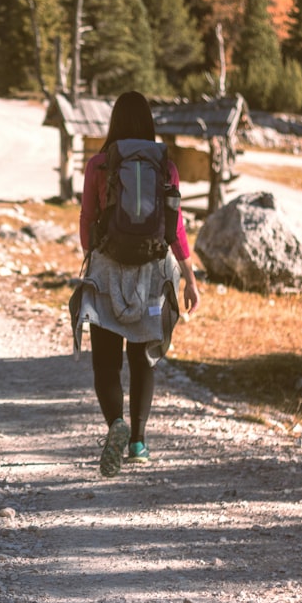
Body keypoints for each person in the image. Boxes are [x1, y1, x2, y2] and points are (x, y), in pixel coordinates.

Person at [76, 91, 200, 477]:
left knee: (106, 360)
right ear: (148, 122)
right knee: (144, 357)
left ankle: (115, 422)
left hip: (108, 269)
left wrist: (93, 259)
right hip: (153, 271)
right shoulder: (165, 165)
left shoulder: (100, 163)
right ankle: (139, 443)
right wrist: (190, 279)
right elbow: (176, 227)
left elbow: (87, 218)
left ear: (114, 121)